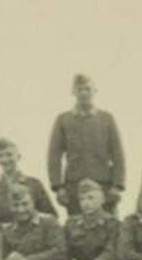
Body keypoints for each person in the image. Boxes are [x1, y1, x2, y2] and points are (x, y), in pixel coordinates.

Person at [47, 74, 125, 216]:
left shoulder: (106, 119)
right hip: (74, 186)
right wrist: (58, 187)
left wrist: (117, 185)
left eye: (87, 89)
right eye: (79, 89)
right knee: (77, 229)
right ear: (73, 92)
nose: (83, 93)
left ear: (94, 91)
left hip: (104, 185)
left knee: (108, 227)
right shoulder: (63, 120)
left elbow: (118, 153)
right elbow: (54, 156)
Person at [0, 138, 57, 224]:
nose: (5, 159)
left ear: (18, 157)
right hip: (0, 235)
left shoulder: (34, 184)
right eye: (0, 156)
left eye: (9, 155)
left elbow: (50, 216)